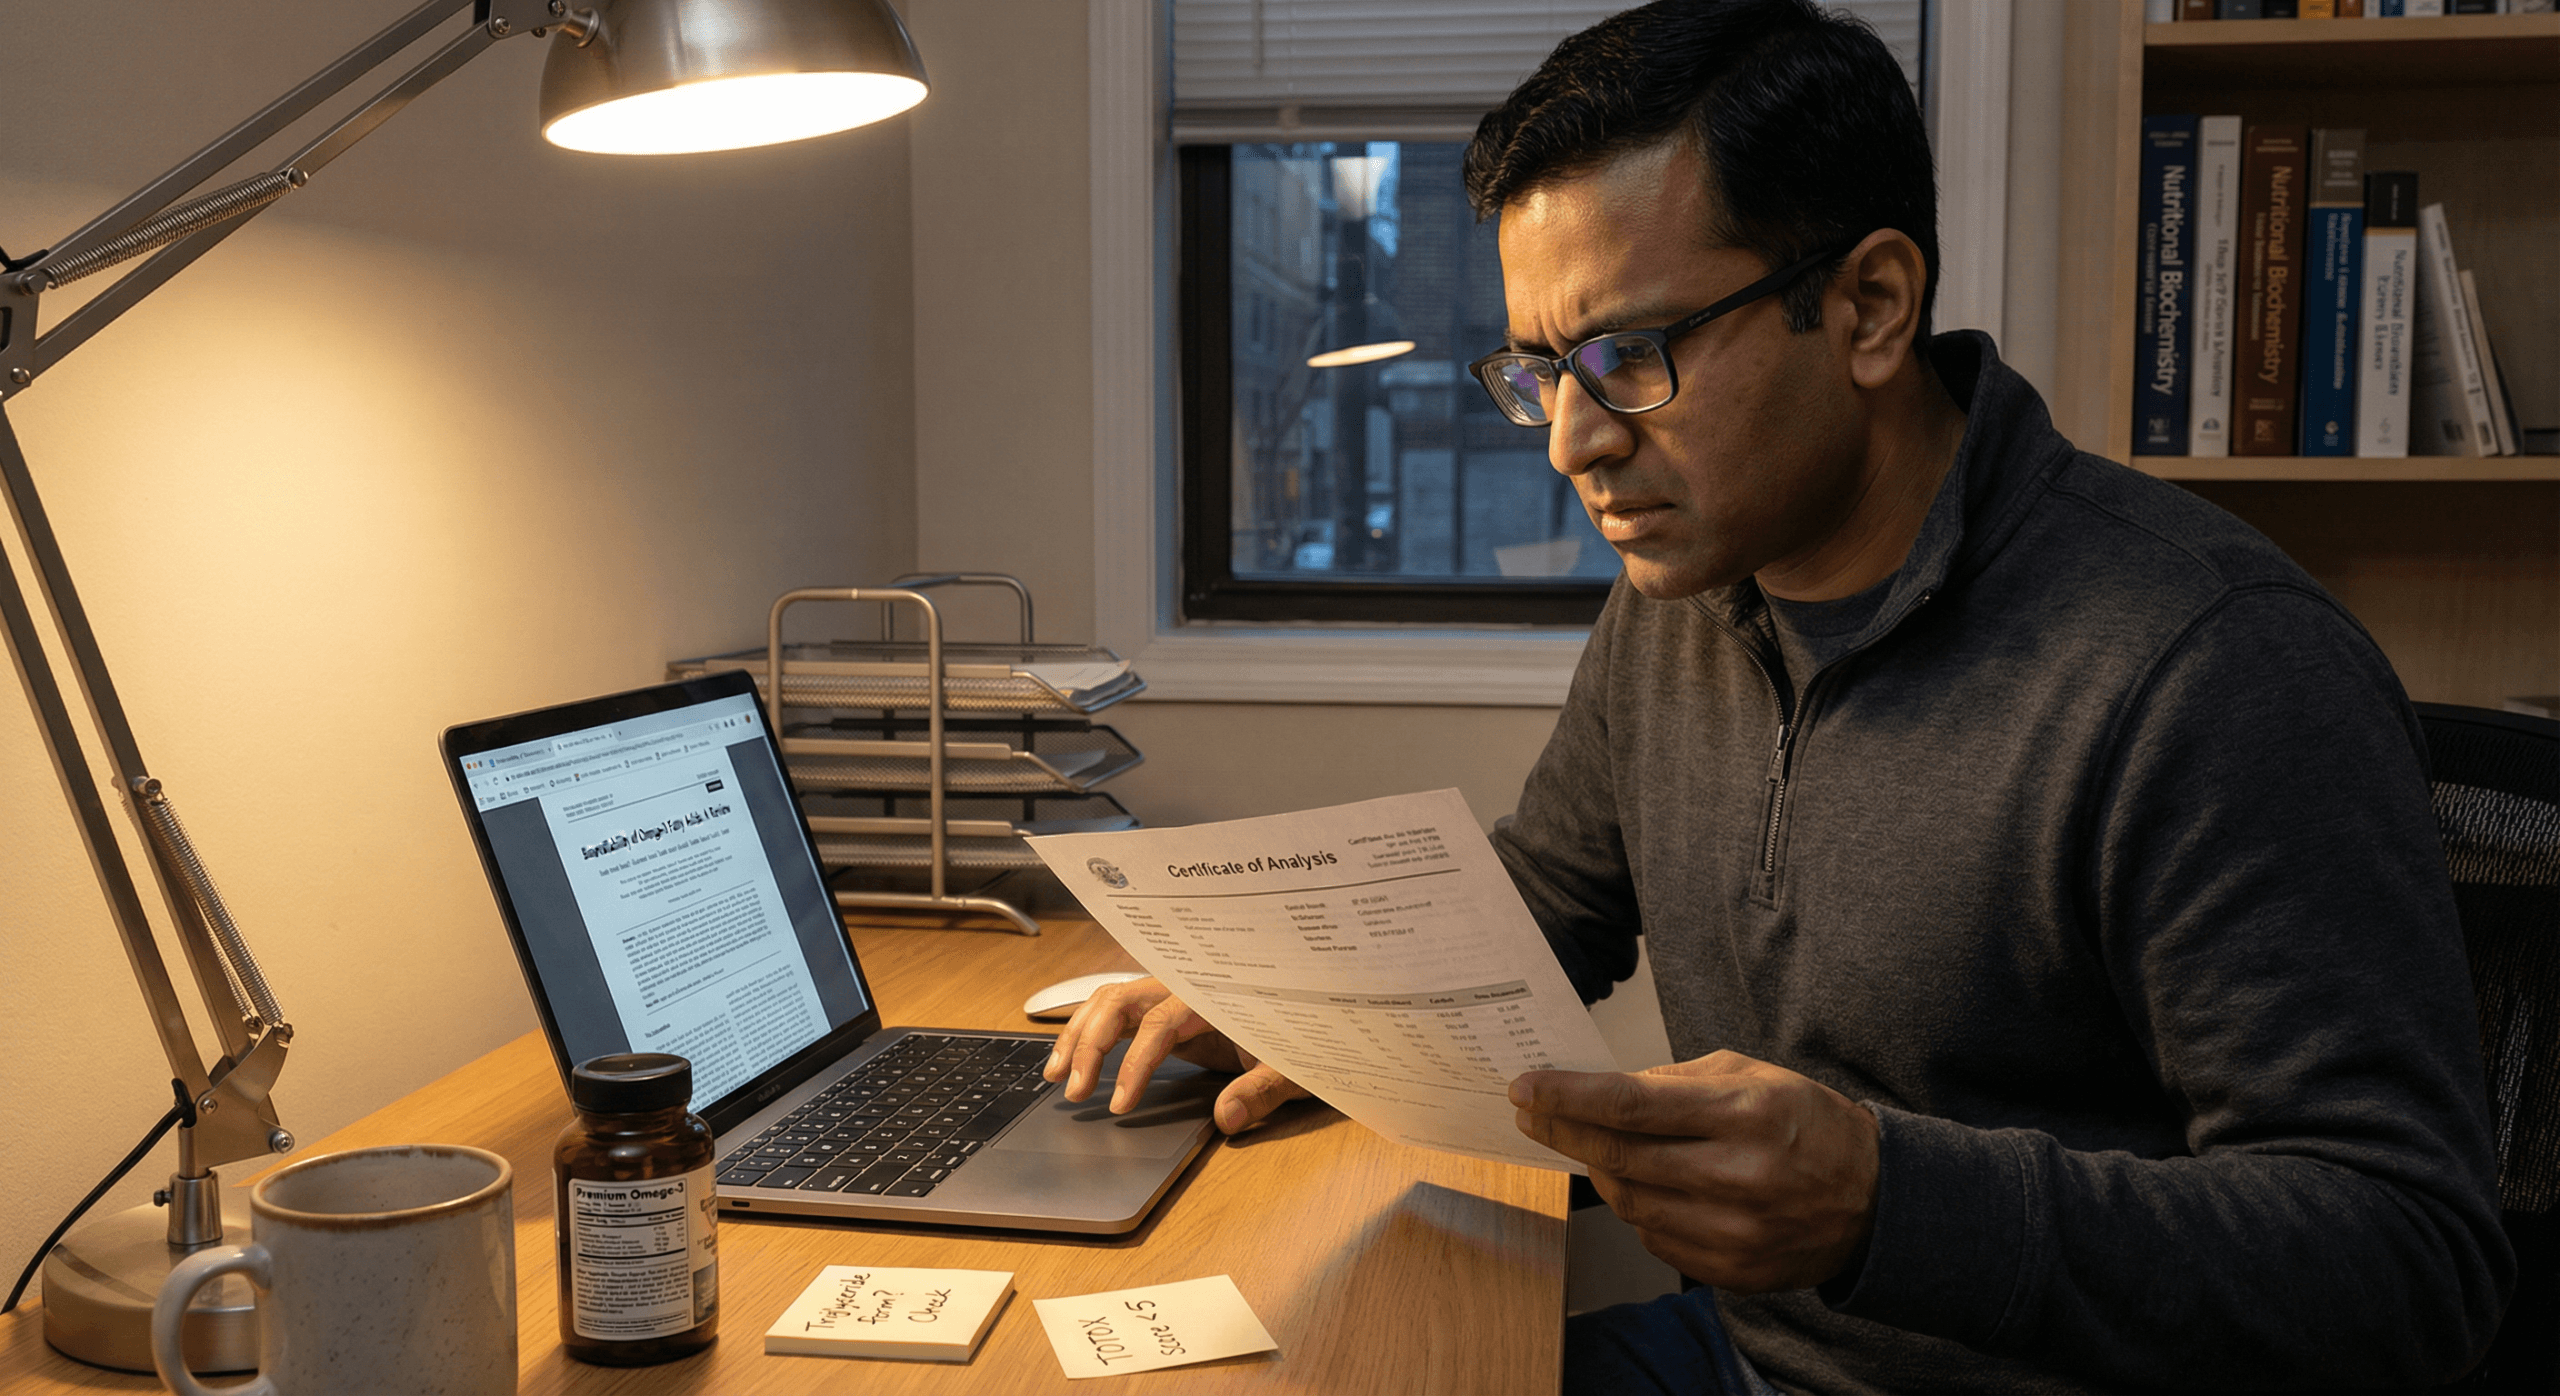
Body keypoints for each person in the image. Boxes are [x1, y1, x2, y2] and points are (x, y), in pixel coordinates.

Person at [1046, 0, 2514, 1388]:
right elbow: (1542, 909)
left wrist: (1890, 1202)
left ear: (1869, 306)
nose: (1568, 445)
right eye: (1543, 368)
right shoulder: (1684, 596)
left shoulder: (2211, 666)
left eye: (1626, 358)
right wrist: (1283, 1004)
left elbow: (2410, 1264)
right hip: (1747, 1359)